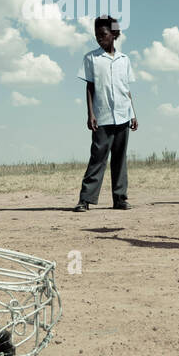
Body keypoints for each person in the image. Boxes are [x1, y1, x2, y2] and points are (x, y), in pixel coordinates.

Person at [74, 16, 138, 212]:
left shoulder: (124, 60)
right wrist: (90, 114)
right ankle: (85, 199)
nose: (99, 39)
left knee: (120, 158)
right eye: (97, 36)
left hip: (123, 115)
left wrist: (133, 113)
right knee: (98, 157)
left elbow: (126, 89)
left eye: (103, 35)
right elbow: (90, 88)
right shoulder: (91, 58)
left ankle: (120, 199)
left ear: (114, 34)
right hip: (102, 116)